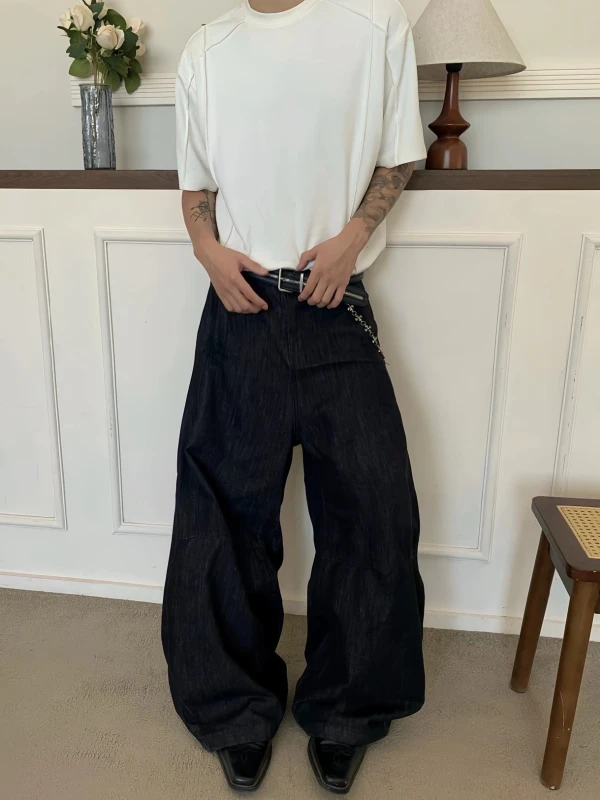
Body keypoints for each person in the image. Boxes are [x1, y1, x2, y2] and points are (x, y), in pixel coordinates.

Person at [161, 0, 427, 793]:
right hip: (239, 301)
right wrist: (206, 250)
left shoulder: (376, 25)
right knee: (221, 516)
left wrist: (351, 239)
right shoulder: (206, 49)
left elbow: (398, 159)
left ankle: (348, 708)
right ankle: (232, 709)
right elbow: (196, 185)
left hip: (333, 300)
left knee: (372, 510)